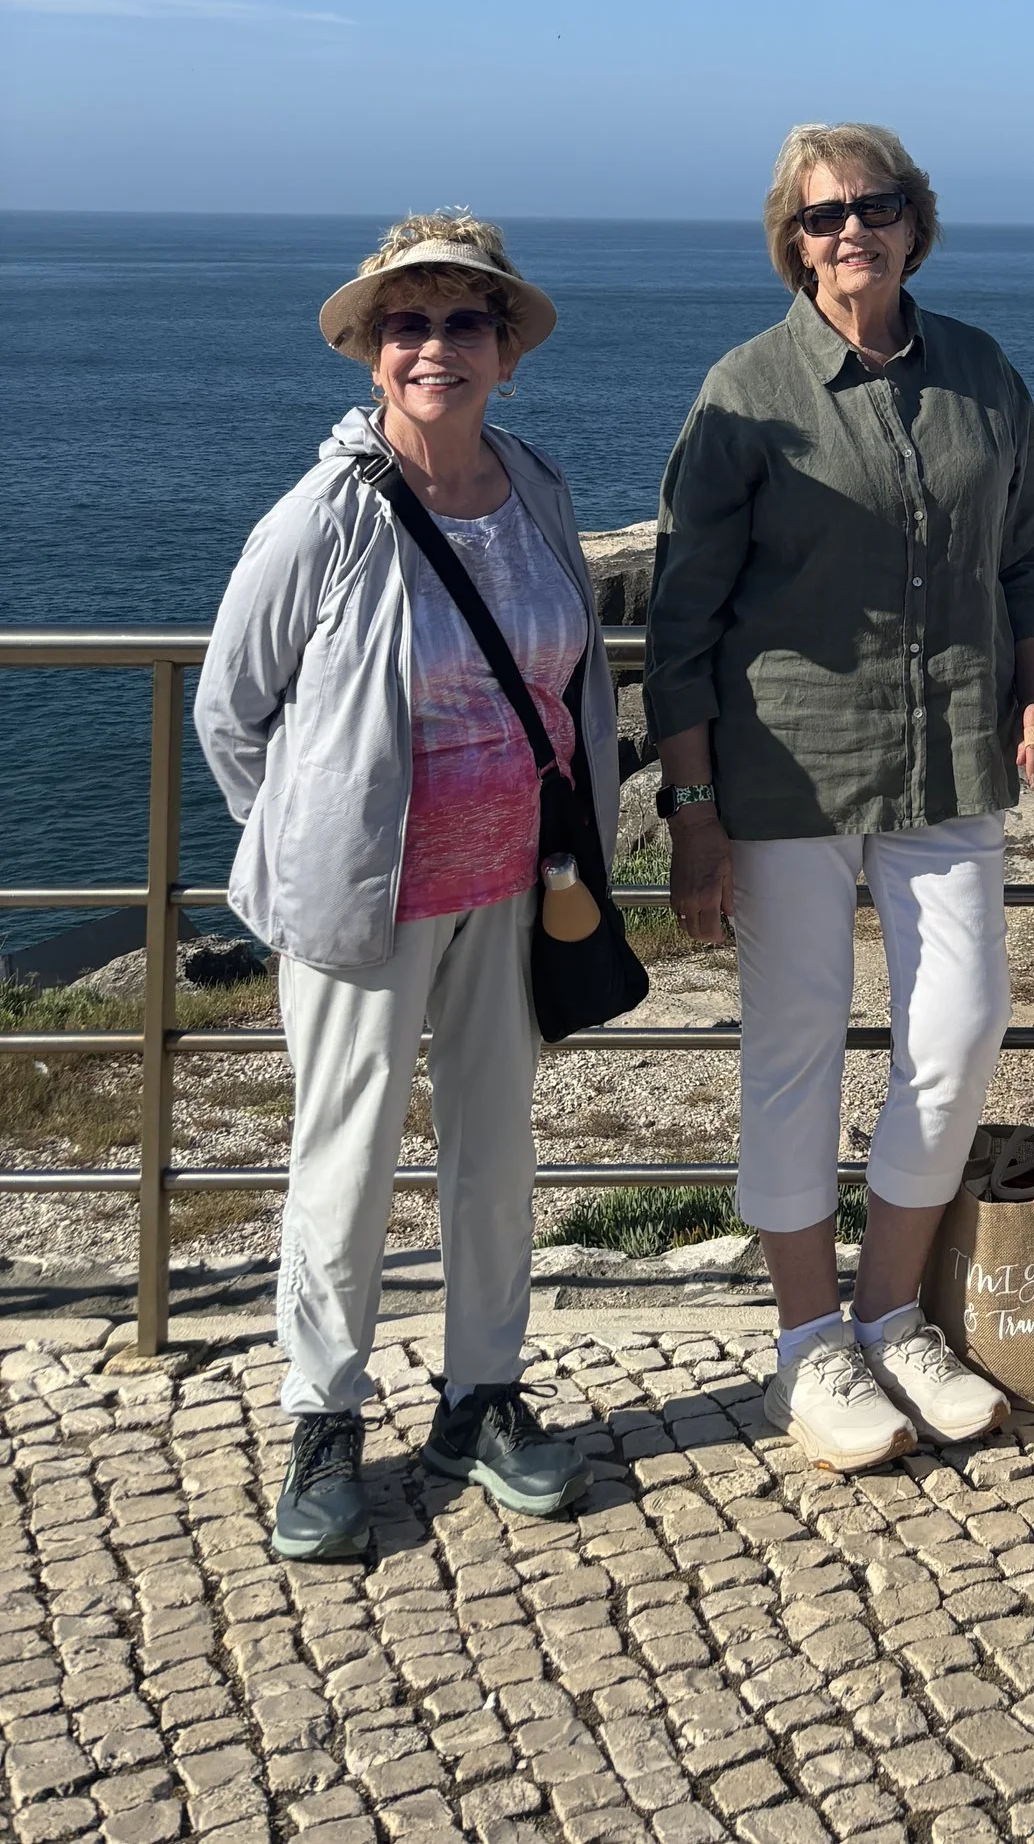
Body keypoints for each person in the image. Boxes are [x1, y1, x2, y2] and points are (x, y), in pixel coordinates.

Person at [644, 122, 1034, 1472]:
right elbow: (681, 617)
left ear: (913, 221)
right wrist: (693, 806)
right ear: (795, 235)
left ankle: (893, 1309)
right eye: (825, 216)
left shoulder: (983, 375)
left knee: (963, 1020)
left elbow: (1020, 557)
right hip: (782, 773)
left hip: (946, 755)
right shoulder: (747, 390)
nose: (852, 233)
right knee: (794, 1046)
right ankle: (806, 1339)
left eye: (875, 208)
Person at [196, 213, 611, 1563]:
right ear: (375, 353)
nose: (437, 344)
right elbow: (231, 709)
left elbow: (570, 675)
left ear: (506, 349)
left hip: (514, 886)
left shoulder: (536, 487)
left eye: (465, 320)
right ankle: (324, 1419)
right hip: (367, 904)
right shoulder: (326, 513)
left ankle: (479, 1397)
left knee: (498, 1158)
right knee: (348, 1162)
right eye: (409, 322)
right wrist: (318, 835)